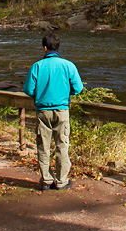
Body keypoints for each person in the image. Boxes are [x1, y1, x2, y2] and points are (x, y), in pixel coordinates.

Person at [23, 32, 83, 190]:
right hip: (62, 110)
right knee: (62, 145)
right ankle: (62, 181)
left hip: (43, 111)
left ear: (44, 48)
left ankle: (47, 180)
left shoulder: (37, 66)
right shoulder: (68, 66)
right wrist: (66, 92)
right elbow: (78, 88)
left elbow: (28, 90)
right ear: (58, 47)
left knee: (43, 145)